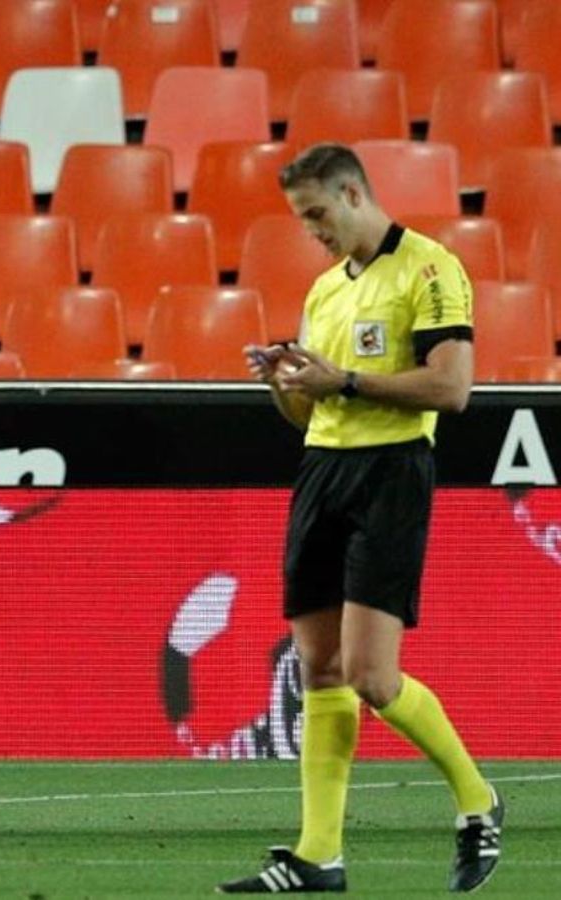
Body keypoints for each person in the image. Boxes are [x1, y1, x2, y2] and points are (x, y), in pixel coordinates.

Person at [221, 143, 499, 894]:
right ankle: (319, 855)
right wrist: (285, 382)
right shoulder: (324, 291)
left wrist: (342, 378)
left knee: (373, 677)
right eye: (301, 218)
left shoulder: (429, 269)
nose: (312, 230)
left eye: (317, 213)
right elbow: (310, 414)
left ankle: (478, 799)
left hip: (391, 473)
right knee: (319, 668)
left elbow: (452, 389)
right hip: (323, 471)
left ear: (352, 194)